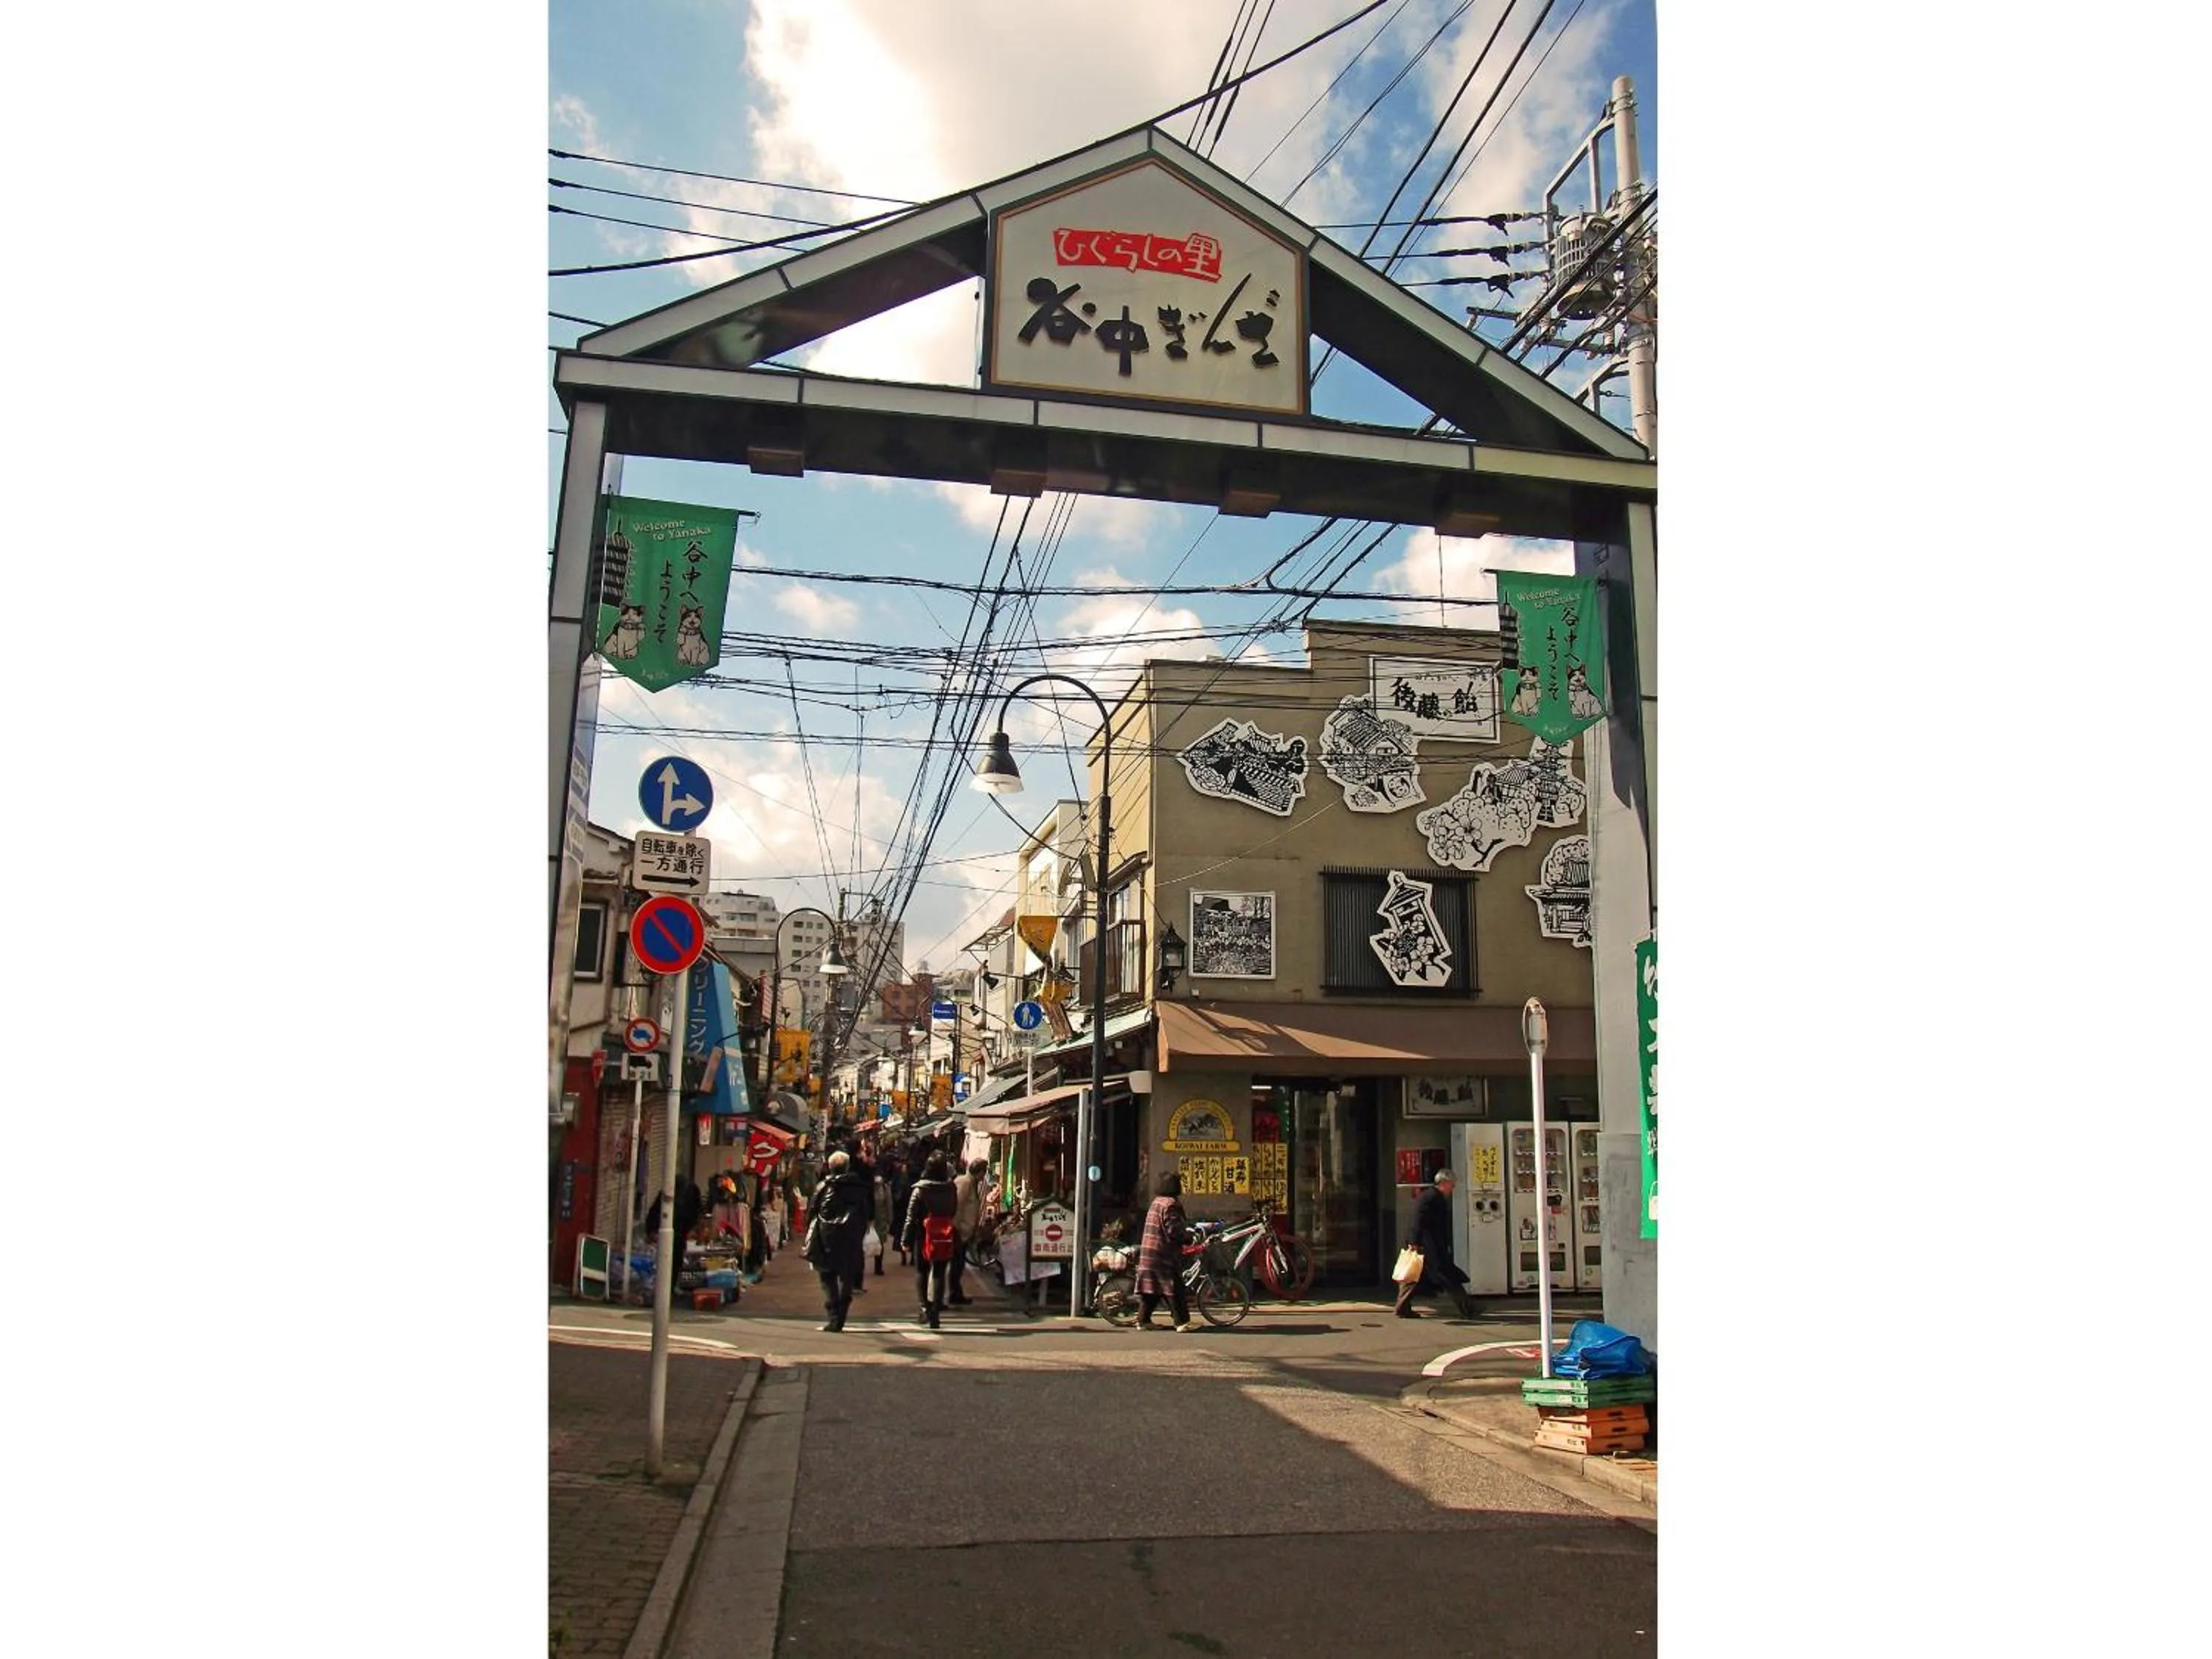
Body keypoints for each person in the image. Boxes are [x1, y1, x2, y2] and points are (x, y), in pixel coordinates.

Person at [1395, 1168, 1478, 1321]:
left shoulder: (1431, 1196)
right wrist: (1414, 1241)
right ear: (1444, 1183)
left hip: (1427, 1244)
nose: (1453, 1189)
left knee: (1414, 1277)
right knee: (1445, 1276)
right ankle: (1468, 1308)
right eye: (1452, 1185)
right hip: (1428, 1245)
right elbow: (1417, 1219)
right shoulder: (1431, 1197)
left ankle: (1402, 1307)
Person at [804, 1151, 871, 1332]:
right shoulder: (859, 1187)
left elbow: (811, 1212)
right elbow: (866, 1213)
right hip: (852, 1236)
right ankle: (841, 1312)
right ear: (848, 1167)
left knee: (827, 1275)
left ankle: (834, 1315)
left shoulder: (823, 1187)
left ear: (830, 1166)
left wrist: (809, 1232)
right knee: (847, 1275)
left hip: (826, 1236)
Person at [900, 1151, 961, 1329]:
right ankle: (936, 1312)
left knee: (922, 1271)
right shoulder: (951, 1188)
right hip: (944, 1234)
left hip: (923, 1234)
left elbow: (911, 1217)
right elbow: (953, 1211)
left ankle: (924, 1307)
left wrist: (906, 1240)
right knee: (940, 1272)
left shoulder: (920, 1189)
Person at [1134, 1172, 1193, 1332]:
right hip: (1163, 1254)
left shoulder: (1157, 1202)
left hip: (1149, 1252)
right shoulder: (1171, 1205)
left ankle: (1143, 1320)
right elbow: (1174, 1230)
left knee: (1151, 1290)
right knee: (1174, 1288)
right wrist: (1188, 1237)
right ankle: (1181, 1322)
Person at [947, 1158, 987, 1306]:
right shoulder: (965, 1183)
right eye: (984, 1172)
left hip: (964, 1232)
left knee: (959, 1264)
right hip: (958, 1231)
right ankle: (954, 1293)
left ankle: (956, 1292)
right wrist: (957, 1228)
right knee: (956, 1264)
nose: (984, 1176)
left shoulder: (972, 1183)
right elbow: (956, 1206)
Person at [871, 1174, 894, 1276]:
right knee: (880, 1243)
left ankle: (877, 1267)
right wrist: (890, 1219)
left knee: (879, 1243)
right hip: (881, 1219)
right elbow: (889, 1205)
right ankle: (878, 1267)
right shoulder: (884, 1187)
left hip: (876, 1219)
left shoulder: (867, 1186)